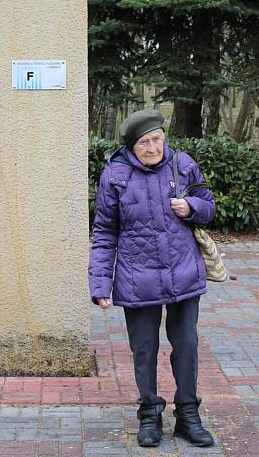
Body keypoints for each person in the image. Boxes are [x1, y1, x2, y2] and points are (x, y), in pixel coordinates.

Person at [88, 109, 216, 448]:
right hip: (136, 277)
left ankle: (188, 413)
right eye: (144, 143)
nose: (152, 148)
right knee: (144, 349)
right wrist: (100, 283)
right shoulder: (115, 175)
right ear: (132, 146)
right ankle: (149, 414)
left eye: (157, 140)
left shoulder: (183, 164)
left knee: (186, 344)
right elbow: (104, 232)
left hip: (183, 273)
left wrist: (191, 208)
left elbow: (209, 206)